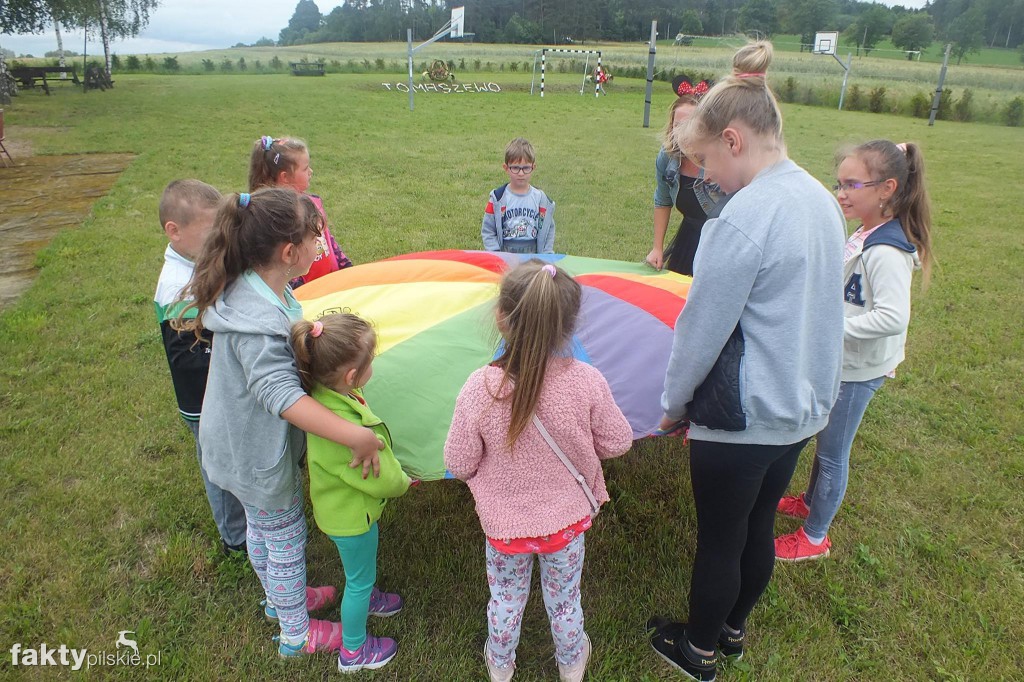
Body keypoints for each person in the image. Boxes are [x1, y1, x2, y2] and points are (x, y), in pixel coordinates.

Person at [649, 42, 847, 682]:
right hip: (800, 407)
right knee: (758, 524)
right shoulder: (819, 198)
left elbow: (699, 333)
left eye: (706, 158)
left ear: (733, 140)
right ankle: (732, 630)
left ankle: (698, 651)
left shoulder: (742, 219)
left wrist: (674, 408)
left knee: (721, 541)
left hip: (743, 414)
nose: (704, 175)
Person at [174, 187, 384, 658]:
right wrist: (354, 433)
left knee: (261, 528)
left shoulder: (255, 287)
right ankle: (296, 631)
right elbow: (281, 397)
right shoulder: (259, 320)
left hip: (232, 444)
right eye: (317, 238)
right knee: (285, 536)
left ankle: (278, 599)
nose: (322, 246)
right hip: (256, 455)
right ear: (290, 253)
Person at [444, 260, 633, 682]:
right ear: (568, 326)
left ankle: (500, 665)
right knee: (564, 600)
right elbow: (618, 441)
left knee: (506, 600)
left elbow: (459, 463)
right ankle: (570, 663)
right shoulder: (586, 381)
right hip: (565, 524)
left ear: (501, 317)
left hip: (505, 529)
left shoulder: (481, 387)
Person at [774, 140, 934, 562]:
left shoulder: (885, 251)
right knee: (824, 438)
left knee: (832, 453)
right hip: (842, 361)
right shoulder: (866, 230)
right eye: (838, 183)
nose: (840, 193)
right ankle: (810, 501)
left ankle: (814, 537)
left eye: (851, 184)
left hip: (859, 369)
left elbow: (893, 317)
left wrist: (831, 327)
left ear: (886, 189)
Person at [291, 313, 413, 673]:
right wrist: (405, 481)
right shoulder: (344, 431)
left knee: (359, 571)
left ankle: (369, 594)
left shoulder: (324, 398)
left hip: (341, 512)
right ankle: (354, 651)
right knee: (356, 582)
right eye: (370, 361)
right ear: (350, 376)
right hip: (351, 520)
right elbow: (379, 477)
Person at [153, 179, 247, 556]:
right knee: (218, 467)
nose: (217, 241)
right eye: (210, 233)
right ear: (174, 232)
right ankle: (235, 538)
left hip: (221, 391)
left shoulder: (197, 263)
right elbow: (190, 360)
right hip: (202, 401)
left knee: (233, 458)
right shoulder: (178, 289)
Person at [646, 75, 725, 276]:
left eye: (691, 124)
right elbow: (663, 200)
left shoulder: (724, 161)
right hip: (688, 239)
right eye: (678, 125)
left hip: (722, 243)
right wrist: (657, 248)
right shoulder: (667, 157)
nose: (683, 132)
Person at [249, 135, 352, 288]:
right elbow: (282, 267)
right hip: (307, 295)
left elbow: (328, 241)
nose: (310, 171)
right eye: (305, 168)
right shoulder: (276, 218)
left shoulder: (313, 203)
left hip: (332, 285)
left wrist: (345, 267)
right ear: (285, 177)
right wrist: (300, 291)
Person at [481, 138, 556, 254]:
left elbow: (548, 229)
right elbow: (488, 230)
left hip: (533, 256)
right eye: (515, 168)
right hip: (505, 254)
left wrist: (547, 255)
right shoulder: (498, 199)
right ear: (506, 168)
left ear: (533, 168)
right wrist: (495, 254)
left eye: (526, 168)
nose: (521, 173)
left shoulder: (541, 200)